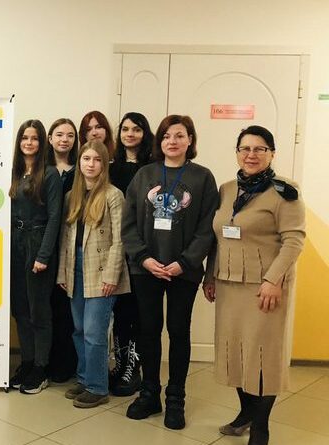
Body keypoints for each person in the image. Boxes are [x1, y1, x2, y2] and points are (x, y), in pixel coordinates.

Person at [203, 126, 305, 445]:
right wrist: (209, 276)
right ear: (237, 152)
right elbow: (217, 238)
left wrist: (273, 280)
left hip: (265, 289)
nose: (251, 155)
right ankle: (246, 413)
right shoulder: (226, 189)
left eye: (260, 149)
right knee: (236, 353)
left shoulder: (285, 192)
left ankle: (261, 429)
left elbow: (294, 240)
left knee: (262, 357)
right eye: (245, 148)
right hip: (229, 284)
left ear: (271, 153)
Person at [121, 114, 219, 430]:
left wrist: (185, 262)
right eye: (166, 136)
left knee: (178, 330)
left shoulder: (203, 178)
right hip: (146, 268)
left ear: (190, 140)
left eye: (179, 135)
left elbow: (207, 227)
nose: (172, 141)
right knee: (148, 329)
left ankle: (176, 398)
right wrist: (143, 258)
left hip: (183, 271)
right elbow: (128, 223)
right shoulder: (144, 175)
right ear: (159, 141)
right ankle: (150, 393)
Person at [57, 140, 130, 408]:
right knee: (78, 329)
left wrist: (112, 275)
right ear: (79, 162)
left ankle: (98, 387)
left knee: (94, 332)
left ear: (104, 164)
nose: (91, 164)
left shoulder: (113, 195)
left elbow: (120, 239)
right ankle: (85, 378)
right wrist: (62, 273)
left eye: (97, 160)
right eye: (86, 159)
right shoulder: (71, 196)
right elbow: (65, 238)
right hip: (75, 267)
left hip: (101, 270)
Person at [8, 119, 62, 394]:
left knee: (38, 310)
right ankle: (27, 362)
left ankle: (41, 368)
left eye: (34, 138)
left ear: (42, 143)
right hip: (14, 244)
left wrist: (43, 255)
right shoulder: (14, 173)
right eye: (24, 138)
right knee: (20, 309)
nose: (29, 143)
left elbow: (54, 218)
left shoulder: (50, 175)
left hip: (37, 244)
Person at [107, 112, 155, 397]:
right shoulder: (111, 168)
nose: (130, 134)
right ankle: (121, 363)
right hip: (115, 249)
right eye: (125, 129)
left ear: (144, 133)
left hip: (142, 250)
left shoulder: (154, 167)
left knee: (139, 313)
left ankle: (133, 369)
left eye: (136, 129)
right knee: (120, 311)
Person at [45, 118, 79, 382]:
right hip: (43, 245)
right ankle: (44, 361)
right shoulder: (40, 170)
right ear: (50, 138)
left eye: (69, 135)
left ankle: (67, 364)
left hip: (71, 245)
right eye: (59, 134)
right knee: (45, 307)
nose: (64, 139)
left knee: (66, 308)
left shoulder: (81, 170)